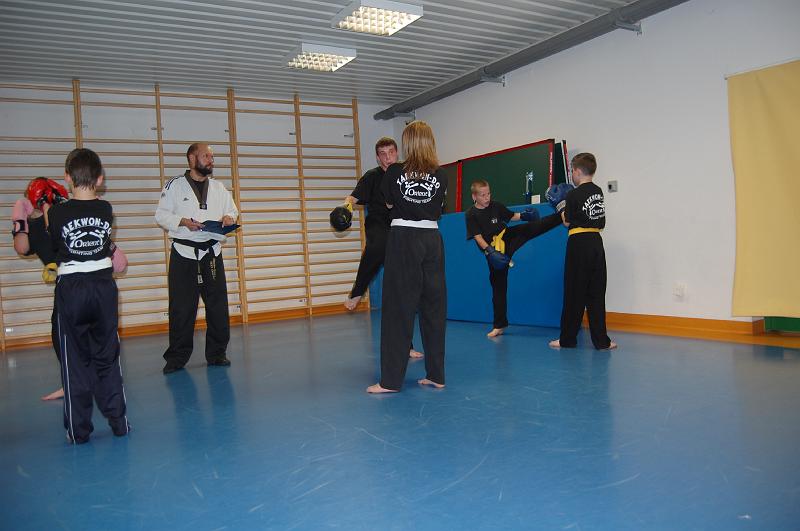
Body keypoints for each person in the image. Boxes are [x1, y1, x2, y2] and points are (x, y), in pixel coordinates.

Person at [46, 148, 129, 443]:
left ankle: (78, 431)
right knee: (108, 357)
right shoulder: (106, 209)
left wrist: (44, 210)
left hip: (72, 288)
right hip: (103, 287)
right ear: (100, 178)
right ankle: (119, 422)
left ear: (67, 177)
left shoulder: (56, 213)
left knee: (75, 361)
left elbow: (55, 243)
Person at [367, 121, 447, 393]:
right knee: (433, 308)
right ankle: (436, 375)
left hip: (404, 238)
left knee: (398, 310)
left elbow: (390, 203)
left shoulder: (395, 171)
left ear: (408, 143)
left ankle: (390, 381)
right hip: (432, 240)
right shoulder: (441, 174)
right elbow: (438, 206)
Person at [155, 143, 239, 374]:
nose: (211, 160)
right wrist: (182, 222)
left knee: (217, 306)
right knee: (182, 308)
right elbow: (161, 215)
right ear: (192, 159)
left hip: (211, 253)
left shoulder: (219, 188)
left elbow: (233, 211)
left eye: (212, 156)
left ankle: (217, 353)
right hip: (184, 253)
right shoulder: (174, 185)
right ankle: (176, 358)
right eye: (206, 156)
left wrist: (229, 218)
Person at [344, 137, 422, 358]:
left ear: (397, 153)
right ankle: (358, 290)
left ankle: (407, 345)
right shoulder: (372, 176)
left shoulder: (407, 175)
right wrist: (345, 207)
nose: (388, 158)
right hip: (379, 225)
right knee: (378, 245)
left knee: (401, 293)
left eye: (391, 153)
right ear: (378, 157)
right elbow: (353, 197)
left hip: (401, 227)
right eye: (383, 154)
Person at [465, 180, 563, 338]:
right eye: (483, 195)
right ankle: (499, 325)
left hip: (507, 237)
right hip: (493, 249)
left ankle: (562, 215)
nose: (487, 197)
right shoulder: (471, 214)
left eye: (488, 193)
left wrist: (524, 215)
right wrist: (490, 252)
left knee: (534, 227)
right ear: (474, 196)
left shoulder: (496, 206)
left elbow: (512, 216)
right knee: (498, 287)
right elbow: (478, 237)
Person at [548, 153, 616, 350]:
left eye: (572, 171)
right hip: (596, 243)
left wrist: (561, 206)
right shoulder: (598, 191)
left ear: (577, 171)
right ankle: (602, 341)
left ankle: (567, 339)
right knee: (596, 293)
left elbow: (567, 221)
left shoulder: (573, 194)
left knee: (574, 293)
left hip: (578, 243)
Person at [11, 178, 66, 400]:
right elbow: (22, 248)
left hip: (86, 278)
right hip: (65, 284)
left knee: (86, 333)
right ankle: (71, 382)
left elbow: (56, 235)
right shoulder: (32, 225)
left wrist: (46, 207)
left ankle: (93, 381)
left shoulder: (61, 216)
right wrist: (19, 219)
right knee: (59, 333)